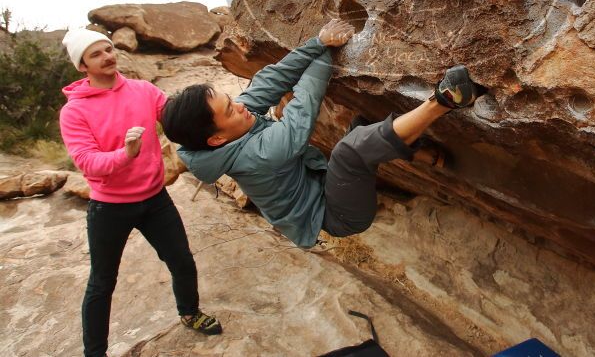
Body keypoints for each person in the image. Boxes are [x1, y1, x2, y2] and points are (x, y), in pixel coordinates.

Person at [161, 18, 483, 249]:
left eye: (230, 99)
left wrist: (317, 42)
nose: (240, 105)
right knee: (349, 152)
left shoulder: (232, 123)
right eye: (229, 110)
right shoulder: (254, 157)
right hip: (336, 216)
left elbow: (271, 80)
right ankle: (447, 99)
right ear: (216, 139)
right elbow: (303, 110)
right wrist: (325, 54)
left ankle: (428, 156)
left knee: (362, 125)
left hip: (325, 185)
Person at [58, 28, 222, 357]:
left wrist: (219, 119)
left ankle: (189, 313)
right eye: (96, 54)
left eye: (108, 49)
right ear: (82, 66)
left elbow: (177, 119)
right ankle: (95, 352)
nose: (107, 56)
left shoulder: (143, 91)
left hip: (154, 199)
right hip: (110, 207)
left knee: (182, 261)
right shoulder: (74, 112)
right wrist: (125, 154)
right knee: (102, 283)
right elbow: (87, 162)